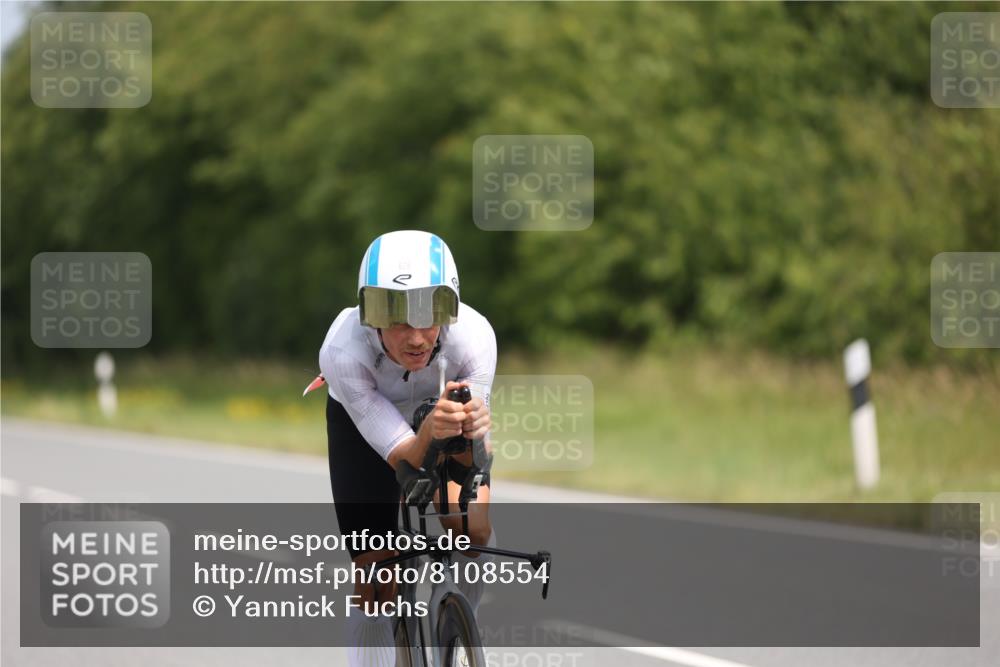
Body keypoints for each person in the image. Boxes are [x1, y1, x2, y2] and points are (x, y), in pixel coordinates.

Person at [318, 230, 497, 666]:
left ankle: (454, 618)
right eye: (395, 316)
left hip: (438, 414)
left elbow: (472, 457)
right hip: (365, 431)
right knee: (377, 574)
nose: (415, 338)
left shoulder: (474, 337)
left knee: (472, 533)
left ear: (450, 308)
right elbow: (404, 458)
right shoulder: (342, 352)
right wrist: (429, 434)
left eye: (429, 313)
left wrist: (472, 434)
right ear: (369, 314)